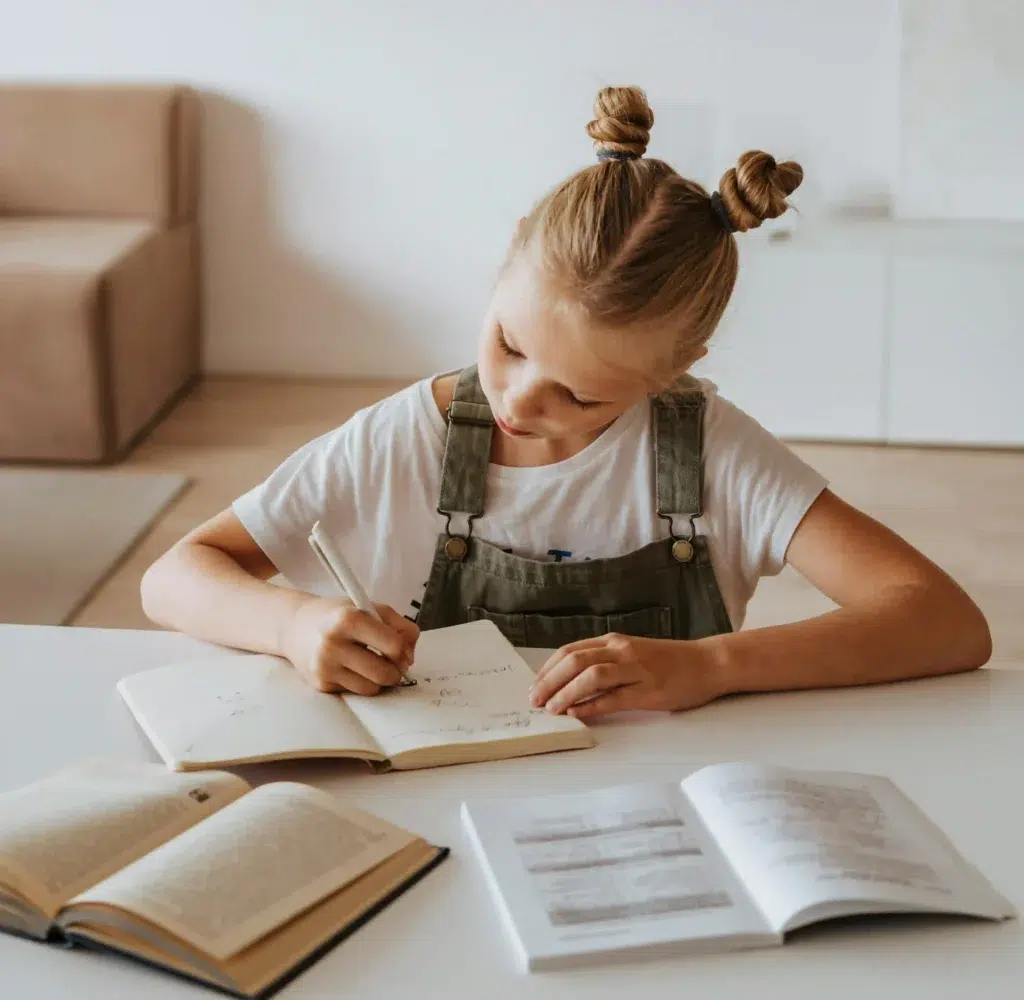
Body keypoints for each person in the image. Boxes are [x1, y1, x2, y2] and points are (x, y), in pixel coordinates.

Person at [141, 86, 991, 721]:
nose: (518, 396)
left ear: (678, 367)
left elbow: (945, 622)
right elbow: (174, 577)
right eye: (508, 345)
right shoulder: (404, 439)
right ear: (509, 254)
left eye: (582, 394)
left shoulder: (713, 454)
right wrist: (294, 626)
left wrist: (714, 667)